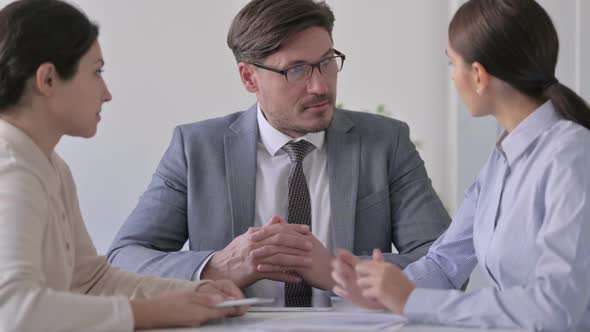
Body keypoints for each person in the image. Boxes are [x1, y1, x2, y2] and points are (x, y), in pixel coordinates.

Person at [107, 0, 450, 307]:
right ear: (249, 77)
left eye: (327, 62)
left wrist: (335, 272)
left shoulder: (386, 142)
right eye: (296, 70)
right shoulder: (196, 149)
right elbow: (121, 260)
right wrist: (218, 267)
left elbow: (447, 265)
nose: (320, 86)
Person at [332, 0, 590, 330]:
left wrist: (411, 300)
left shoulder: (571, 155)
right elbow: (446, 263)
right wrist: (379, 290)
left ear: (479, 75)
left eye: (452, 63)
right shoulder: (501, 162)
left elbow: (555, 307)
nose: (453, 76)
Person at [0, 1, 247, 331]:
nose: (107, 93)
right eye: (97, 72)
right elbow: (12, 312)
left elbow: (90, 280)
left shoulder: (51, 167)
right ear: (47, 79)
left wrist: (194, 292)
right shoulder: (13, 170)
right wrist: (155, 312)